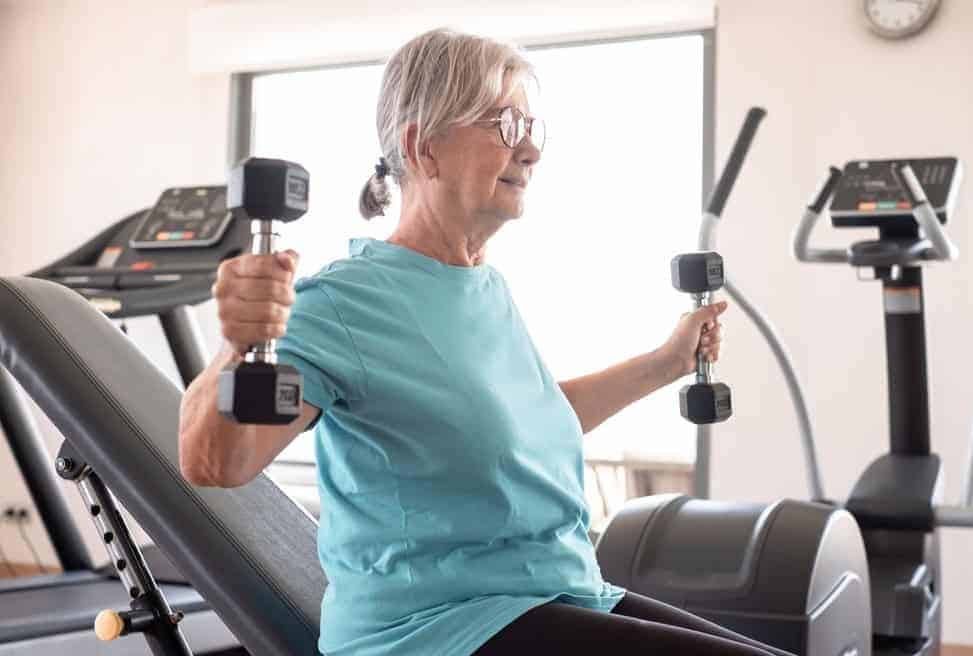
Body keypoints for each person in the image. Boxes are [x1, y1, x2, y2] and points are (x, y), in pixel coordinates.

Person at [179, 27, 787, 656]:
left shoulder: (481, 284)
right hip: (437, 632)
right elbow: (216, 464)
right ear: (424, 148)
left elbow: (526, 427)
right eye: (505, 125)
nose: (531, 152)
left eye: (532, 128)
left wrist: (667, 363)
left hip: (557, 594)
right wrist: (240, 341)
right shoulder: (342, 303)